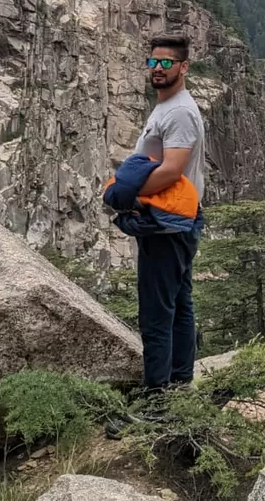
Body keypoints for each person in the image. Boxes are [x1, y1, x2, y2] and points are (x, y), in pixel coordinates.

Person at [103, 33, 207, 391]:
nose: (158, 69)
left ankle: (156, 397)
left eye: (166, 63)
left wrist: (126, 195)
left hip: (167, 223)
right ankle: (179, 383)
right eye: (153, 62)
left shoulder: (179, 110)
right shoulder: (166, 106)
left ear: (184, 66)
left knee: (156, 313)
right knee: (178, 304)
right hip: (174, 221)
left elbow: (171, 169)